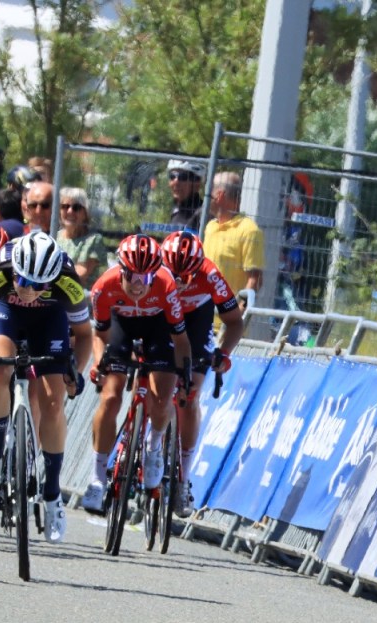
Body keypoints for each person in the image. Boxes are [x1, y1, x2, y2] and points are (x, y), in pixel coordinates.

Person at [0, 232, 92, 543]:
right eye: (24, 281)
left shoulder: (67, 281)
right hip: (4, 313)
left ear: (53, 279)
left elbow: (84, 335)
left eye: (39, 285)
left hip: (49, 320)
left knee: (53, 402)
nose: (29, 290)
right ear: (14, 270)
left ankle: (52, 494)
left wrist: (76, 372)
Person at [82, 234, 192, 513]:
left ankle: (153, 447)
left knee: (162, 398)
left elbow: (180, 340)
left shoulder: (167, 286)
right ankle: (97, 479)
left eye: (146, 277)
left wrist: (185, 373)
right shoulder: (103, 287)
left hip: (158, 329)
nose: (138, 284)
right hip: (121, 328)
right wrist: (98, 364)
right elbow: (100, 336)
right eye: (132, 275)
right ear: (121, 269)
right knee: (110, 398)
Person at [160, 231, 244, 517]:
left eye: (186, 276)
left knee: (189, 394)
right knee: (149, 376)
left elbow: (234, 322)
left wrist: (224, 353)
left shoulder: (210, 274)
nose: (180, 281)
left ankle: (183, 478)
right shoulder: (153, 273)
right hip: (159, 318)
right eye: (174, 274)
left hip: (195, 322)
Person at [203, 171, 264, 299]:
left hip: (229, 311)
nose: (205, 199)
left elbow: (255, 280)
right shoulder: (210, 227)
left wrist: (238, 309)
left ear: (219, 195)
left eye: (209, 193)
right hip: (204, 310)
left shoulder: (249, 231)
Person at [56, 186, 107, 289]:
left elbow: (79, 275)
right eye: (65, 206)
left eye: (76, 207)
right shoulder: (54, 237)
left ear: (85, 213)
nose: (70, 211)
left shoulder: (93, 240)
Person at [167, 159, 206, 233]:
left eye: (183, 177)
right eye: (172, 176)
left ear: (197, 183)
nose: (176, 182)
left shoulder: (203, 214)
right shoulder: (176, 209)